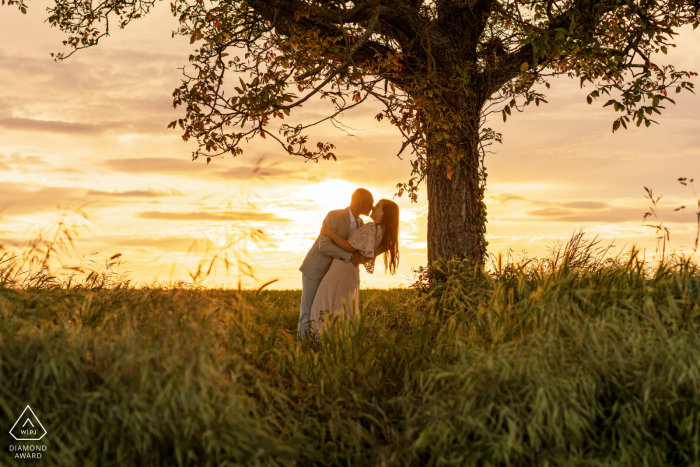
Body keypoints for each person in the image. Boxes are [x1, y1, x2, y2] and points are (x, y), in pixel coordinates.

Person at [308, 198, 400, 335]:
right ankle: (341, 340)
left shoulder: (372, 228)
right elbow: (364, 259)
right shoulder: (387, 237)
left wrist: (329, 233)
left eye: (378, 206)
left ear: (385, 213)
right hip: (352, 270)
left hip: (341, 268)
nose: (373, 207)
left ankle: (321, 341)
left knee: (324, 303)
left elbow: (349, 247)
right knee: (341, 306)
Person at [297, 188, 374, 339]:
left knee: (325, 310)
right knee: (308, 309)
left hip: (333, 274)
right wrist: (348, 256)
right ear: (360, 203)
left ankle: (319, 345)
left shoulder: (361, 223)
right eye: (370, 204)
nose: (372, 207)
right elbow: (323, 245)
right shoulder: (334, 216)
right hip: (316, 268)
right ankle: (302, 347)